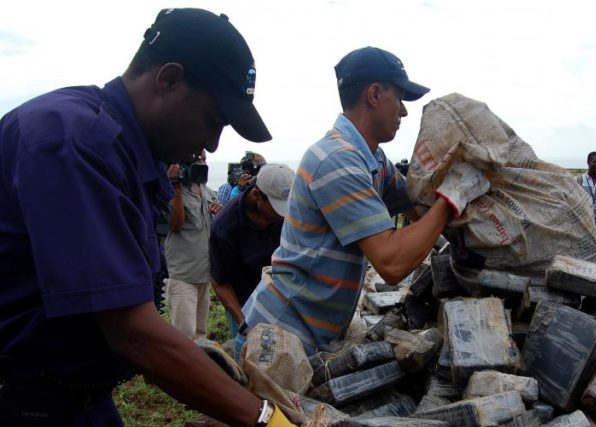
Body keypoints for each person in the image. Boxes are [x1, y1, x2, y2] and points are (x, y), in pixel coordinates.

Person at [0, 9, 298, 427]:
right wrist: (267, 424)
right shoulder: (71, 140)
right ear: (169, 79)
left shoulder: (127, 153)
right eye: (212, 118)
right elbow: (132, 332)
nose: (213, 144)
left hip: (85, 408)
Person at [237, 46, 490, 360]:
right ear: (374, 95)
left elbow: (418, 208)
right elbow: (391, 263)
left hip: (307, 335)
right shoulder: (337, 160)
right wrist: (452, 198)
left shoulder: (372, 159)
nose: (404, 112)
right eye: (399, 99)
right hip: (278, 339)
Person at [210, 163, 294, 338]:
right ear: (257, 195)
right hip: (246, 305)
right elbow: (220, 283)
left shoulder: (284, 216)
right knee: (250, 355)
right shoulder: (224, 228)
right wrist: (243, 322)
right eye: (277, 207)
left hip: (283, 300)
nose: (282, 215)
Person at [165, 150, 221, 339]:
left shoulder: (205, 189)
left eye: (205, 159)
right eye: (198, 159)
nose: (203, 163)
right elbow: (175, 224)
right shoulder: (172, 190)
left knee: (200, 335)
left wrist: (217, 212)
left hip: (203, 275)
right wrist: (176, 187)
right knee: (184, 336)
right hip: (183, 277)